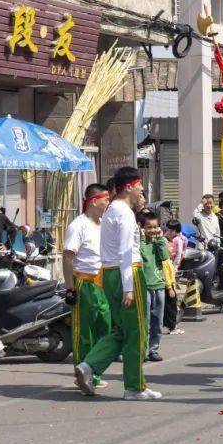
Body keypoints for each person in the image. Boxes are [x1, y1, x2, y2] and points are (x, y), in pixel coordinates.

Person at [74, 167, 161, 400]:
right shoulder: (123, 212)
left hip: (110, 273)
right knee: (136, 332)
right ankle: (134, 387)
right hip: (128, 272)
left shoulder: (112, 209)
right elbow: (125, 251)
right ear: (130, 186)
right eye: (140, 184)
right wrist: (130, 287)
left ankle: (89, 365)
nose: (142, 188)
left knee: (121, 330)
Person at [63, 183, 110, 392]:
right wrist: (70, 288)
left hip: (103, 283)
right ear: (94, 201)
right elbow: (68, 258)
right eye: (105, 199)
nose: (108, 203)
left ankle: (93, 371)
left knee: (106, 329)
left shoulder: (104, 224)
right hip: (84, 282)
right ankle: (82, 376)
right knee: (85, 333)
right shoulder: (77, 225)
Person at [138, 209, 170, 363]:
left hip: (159, 285)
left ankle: (154, 349)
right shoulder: (140, 243)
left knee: (158, 321)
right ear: (142, 228)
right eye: (149, 227)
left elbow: (164, 256)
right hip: (145, 286)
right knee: (145, 321)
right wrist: (143, 238)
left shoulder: (160, 242)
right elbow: (143, 254)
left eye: (155, 227)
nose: (152, 230)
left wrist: (158, 240)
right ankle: (142, 350)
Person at [163, 220, 186, 335]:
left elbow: (179, 255)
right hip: (168, 273)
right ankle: (171, 326)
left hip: (171, 271)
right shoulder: (168, 240)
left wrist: (175, 267)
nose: (167, 232)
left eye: (170, 230)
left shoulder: (177, 240)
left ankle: (171, 325)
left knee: (171, 300)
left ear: (175, 231)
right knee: (170, 300)